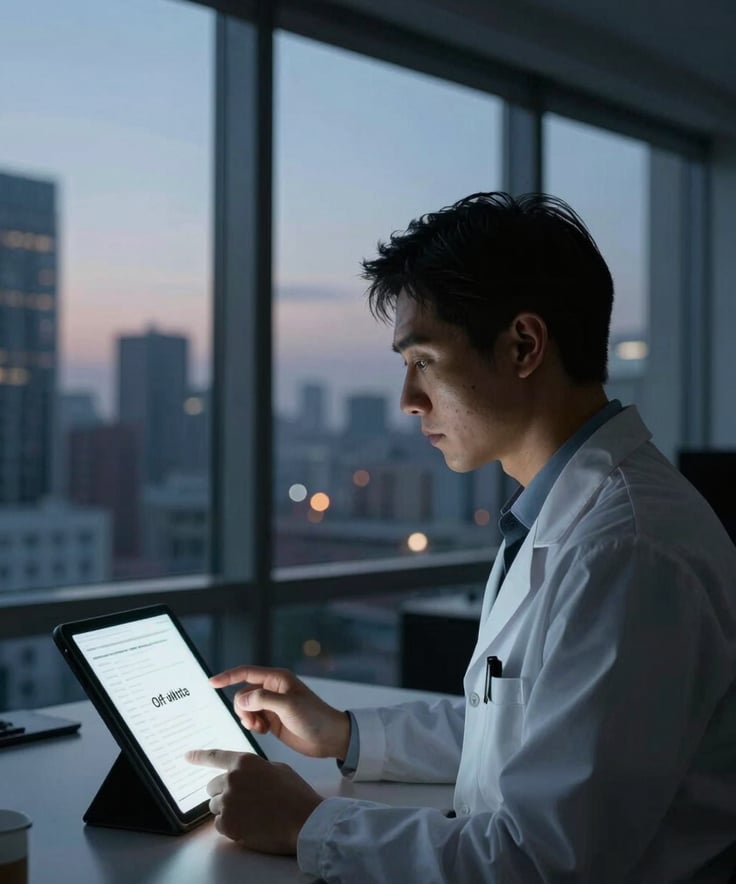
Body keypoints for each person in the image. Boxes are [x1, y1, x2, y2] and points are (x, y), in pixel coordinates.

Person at [187, 192, 736, 882]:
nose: (408, 400)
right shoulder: (566, 516)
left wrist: (307, 824)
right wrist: (345, 735)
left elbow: (543, 864)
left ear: (523, 346)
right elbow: (521, 735)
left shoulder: (623, 548)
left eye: (423, 360)